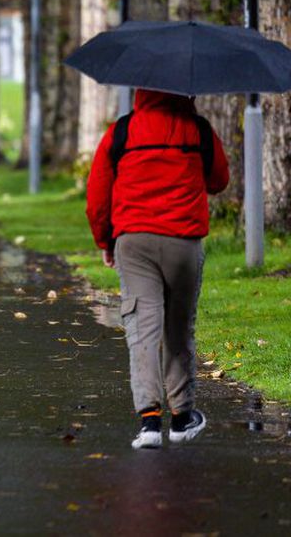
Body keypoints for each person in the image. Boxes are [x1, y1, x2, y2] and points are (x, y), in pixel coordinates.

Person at [85, 88, 230, 450]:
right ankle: (182, 417)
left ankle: (149, 421)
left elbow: (97, 195)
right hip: (184, 239)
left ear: (140, 90)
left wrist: (106, 241)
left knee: (142, 327)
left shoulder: (121, 132)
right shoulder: (198, 130)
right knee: (179, 328)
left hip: (134, 241)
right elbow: (219, 180)